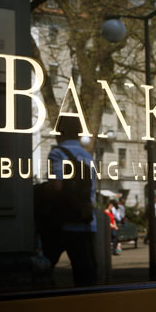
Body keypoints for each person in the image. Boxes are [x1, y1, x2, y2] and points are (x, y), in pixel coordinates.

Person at [41, 116, 98, 285]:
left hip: (62, 222)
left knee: (44, 268)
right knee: (85, 274)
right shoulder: (88, 156)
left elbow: (57, 187)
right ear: (79, 134)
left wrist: (41, 190)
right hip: (86, 220)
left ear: (59, 133)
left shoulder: (57, 153)